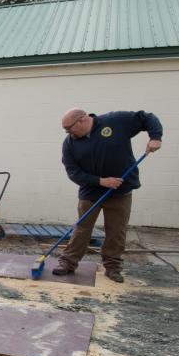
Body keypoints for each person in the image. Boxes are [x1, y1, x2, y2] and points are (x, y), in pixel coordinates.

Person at [55, 108, 162, 283]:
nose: (68, 133)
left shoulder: (115, 121)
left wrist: (155, 137)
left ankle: (112, 267)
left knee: (116, 231)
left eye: (69, 128)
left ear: (82, 120)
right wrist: (101, 181)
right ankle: (67, 262)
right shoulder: (70, 143)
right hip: (90, 192)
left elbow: (146, 117)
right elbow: (73, 172)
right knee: (82, 229)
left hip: (120, 192)